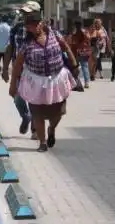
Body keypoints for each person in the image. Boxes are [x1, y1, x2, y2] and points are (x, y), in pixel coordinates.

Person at [9, 12, 78, 152]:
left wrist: (74, 65)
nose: (34, 28)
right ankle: (42, 142)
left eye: (36, 25)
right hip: (35, 81)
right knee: (37, 113)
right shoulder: (26, 44)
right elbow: (17, 65)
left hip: (56, 79)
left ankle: (52, 128)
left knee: (58, 112)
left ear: (41, 23)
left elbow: (66, 47)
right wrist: (12, 85)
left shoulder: (54, 35)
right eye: (30, 27)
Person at [3, 1, 42, 138]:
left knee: (35, 100)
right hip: (19, 70)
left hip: (37, 70)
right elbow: (10, 47)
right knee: (17, 97)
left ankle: (36, 130)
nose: (25, 16)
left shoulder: (43, 29)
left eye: (28, 13)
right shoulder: (17, 28)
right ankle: (26, 116)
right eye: (24, 13)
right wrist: (4, 68)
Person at [70, 19, 92, 88]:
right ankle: (86, 82)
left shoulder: (75, 32)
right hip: (85, 51)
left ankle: (74, 81)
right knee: (84, 66)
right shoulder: (85, 31)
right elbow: (89, 39)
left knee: (75, 66)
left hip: (77, 51)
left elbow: (73, 42)